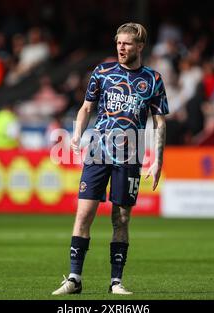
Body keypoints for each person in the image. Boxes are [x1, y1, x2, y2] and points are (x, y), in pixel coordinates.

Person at [52, 22, 169, 295]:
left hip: (131, 153)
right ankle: (74, 278)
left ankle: (116, 282)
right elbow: (86, 107)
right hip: (97, 149)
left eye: (127, 43)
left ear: (140, 46)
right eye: (119, 43)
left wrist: (157, 159)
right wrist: (76, 134)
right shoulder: (102, 72)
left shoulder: (153, 79)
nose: (121, 47)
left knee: (122, 219)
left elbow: (159, 123)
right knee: (84, 214)